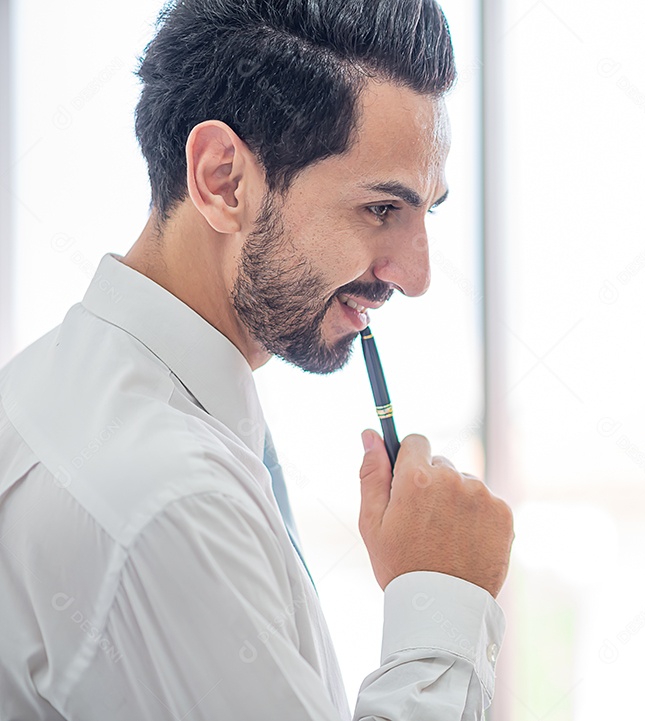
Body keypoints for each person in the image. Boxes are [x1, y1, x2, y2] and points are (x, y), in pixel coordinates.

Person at [0, 0, 514, 718]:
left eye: (427, 211)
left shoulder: (62, 384)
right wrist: (442, 606)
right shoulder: (171, 502)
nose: (417, 275)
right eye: (381, 210)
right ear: (223, 180)